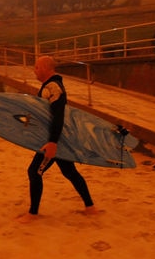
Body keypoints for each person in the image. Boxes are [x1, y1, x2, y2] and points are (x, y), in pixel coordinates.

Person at [17, 55, 97, 223]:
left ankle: (33, 214)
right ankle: (90, 207)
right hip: (57, 138)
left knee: (34, 171)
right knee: (69, 171)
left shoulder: (53, 87)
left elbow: (58, 116)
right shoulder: (49, 86)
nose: (34, 70)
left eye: (37, 67)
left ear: (46, 68)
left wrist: (53, 142)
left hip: (55, 139)